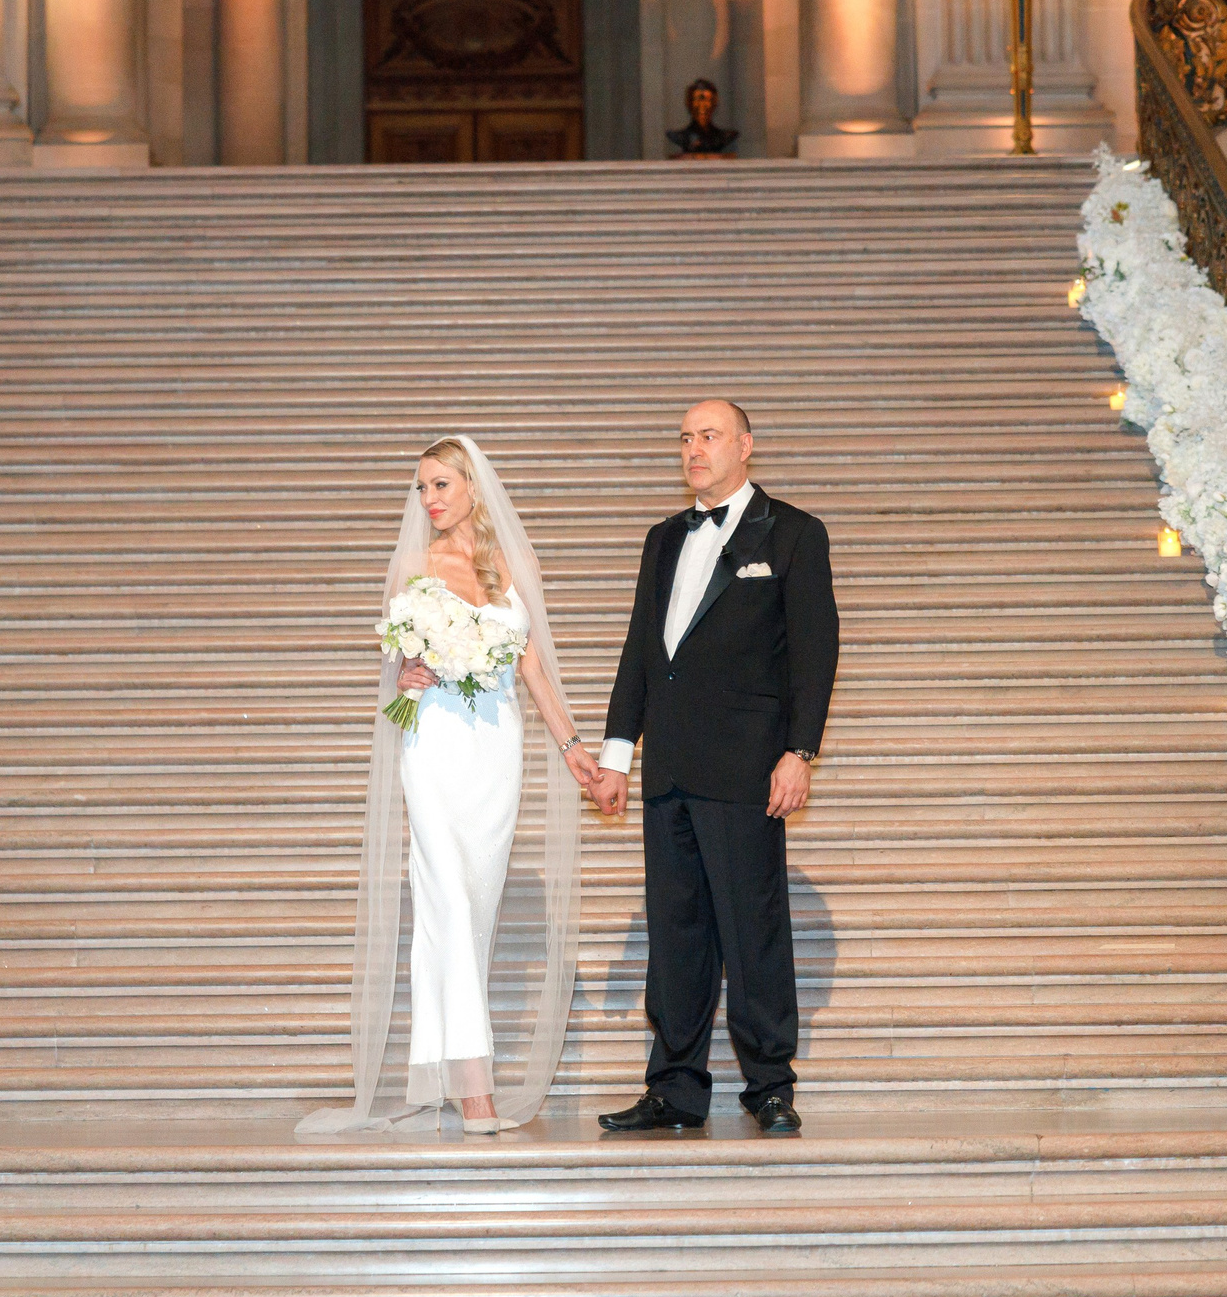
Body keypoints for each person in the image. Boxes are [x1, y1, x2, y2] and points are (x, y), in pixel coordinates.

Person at [298, 437, 596, 1138]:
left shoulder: (514, 567)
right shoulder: (410, 565)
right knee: (451, 904)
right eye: (420, 488)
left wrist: (574, 747)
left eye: (440, 485)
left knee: (471, 910)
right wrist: (403, 675)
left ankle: (439, 1066)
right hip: (431, 744)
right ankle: (476, 1090)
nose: (429, 500)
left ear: (471, 486)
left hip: (496, 750)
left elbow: (535, 673)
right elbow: (398, 671)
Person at [590, 401, 838, 1135]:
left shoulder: (791, 532)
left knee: (752, 928)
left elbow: (817, 652)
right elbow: (641, 649)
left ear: (746, 445)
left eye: (709, 437)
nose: (694, 450)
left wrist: (800, 752)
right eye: (686, 439)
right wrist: (616, 757)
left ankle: (768, 1085)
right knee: (676, 932)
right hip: (667, 768)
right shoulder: (663, 538)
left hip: (746, 769)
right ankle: (674, 1088)